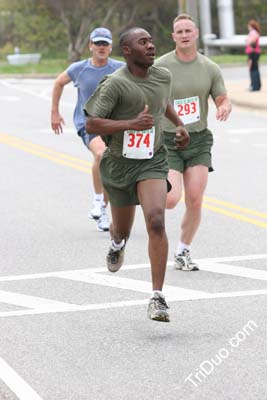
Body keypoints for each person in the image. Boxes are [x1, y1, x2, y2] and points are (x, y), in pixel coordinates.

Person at [84, 27, 189, 322]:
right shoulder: (116, 84)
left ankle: (157, 297)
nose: (152, 46)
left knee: (156, 220)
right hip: (119, 164)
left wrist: (179, 125)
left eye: (151, 40)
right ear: (128, 51)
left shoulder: (163, 76)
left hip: (152, 160)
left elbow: (162, 101)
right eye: (143, 42)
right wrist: (130, 124)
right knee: (123, 230)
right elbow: (92, 124)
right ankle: (117, 245)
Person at [155, 14, 232, 271]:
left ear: (196, 33)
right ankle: (146, 192)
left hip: (198, 140)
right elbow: (148, 96)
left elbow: (221, 97)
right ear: (173, 36)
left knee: (196, 199)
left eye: (188, 30)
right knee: (171, 199)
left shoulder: (210, 67)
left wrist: (224, 105)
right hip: (170, 140)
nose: (185, 35)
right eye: (180, 31)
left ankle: (183, 251)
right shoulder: (161, 66)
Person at [51, 27, 124, 231]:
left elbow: (139, 82)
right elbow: (58, 83)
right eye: (97, 43)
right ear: (90, 46)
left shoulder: (119, 68)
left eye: (105, 44)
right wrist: (54, 113)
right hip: (89, 124)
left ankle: (102, 211)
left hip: (113, 125)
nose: (101, 47)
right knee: (102, 154)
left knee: (110, 167)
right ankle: (98, 199)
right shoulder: (79, 68)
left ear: (111, 47)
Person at [245, 19, 261, 91]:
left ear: (251, 26)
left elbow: (251, 42)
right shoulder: (255, 32)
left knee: (252, 69)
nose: (248, 27)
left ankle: (254, 86)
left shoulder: (253, 32)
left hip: (253, 52)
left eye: (249, 26)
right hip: (255, 52)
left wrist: (247, 40)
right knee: (255, 68)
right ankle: (257, 85)